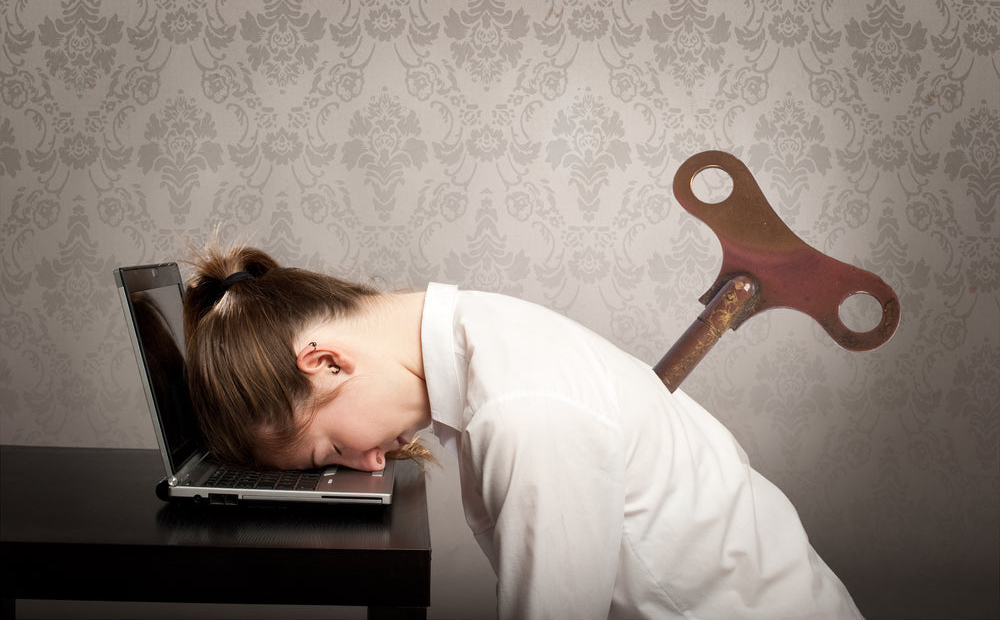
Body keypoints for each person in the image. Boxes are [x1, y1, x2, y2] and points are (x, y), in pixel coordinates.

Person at [183, 241, 864, 620]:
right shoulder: (486, 333)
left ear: (327, 362)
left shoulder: (524, 410)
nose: (364, 463)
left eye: (328, 448)